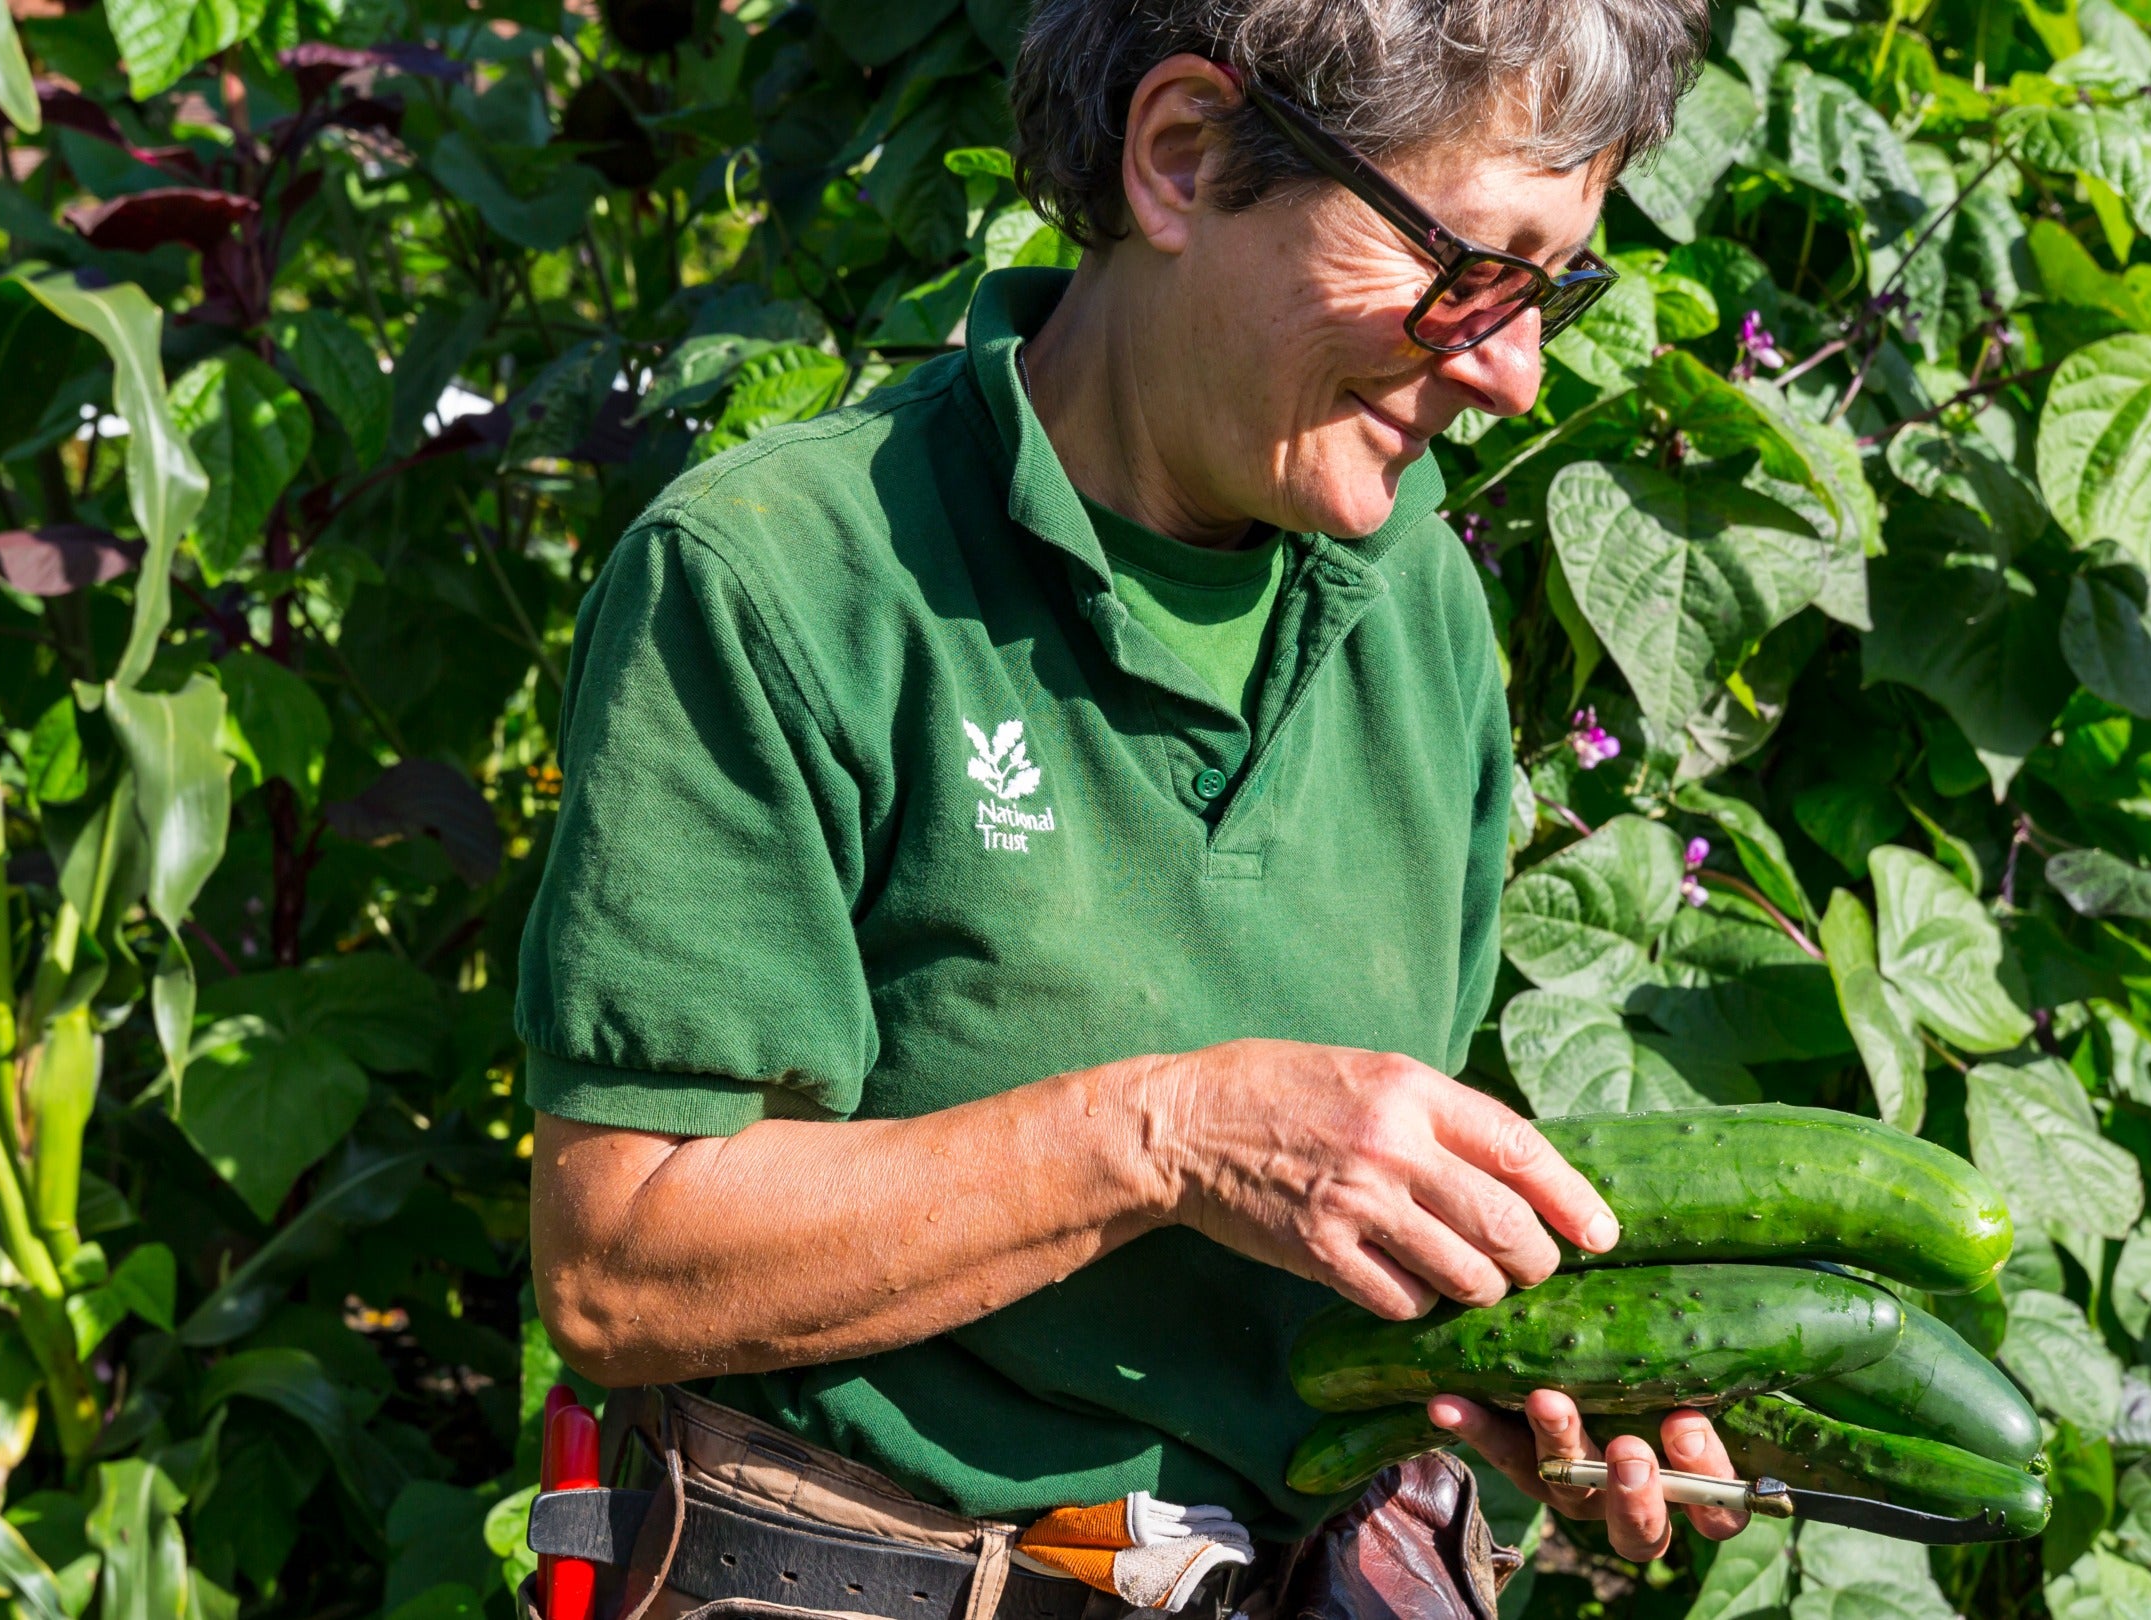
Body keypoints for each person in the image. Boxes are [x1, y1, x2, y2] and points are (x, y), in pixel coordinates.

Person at [519, 1, 1734, 1612]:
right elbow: (622, 1264)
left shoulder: (1419, 606)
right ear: (1182, 158)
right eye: (1467, 267)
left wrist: (1536, 1369)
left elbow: (1322, 1214)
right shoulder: (789, 578)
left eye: (1551, 287)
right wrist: (1162, 1136)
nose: (1510, 375)